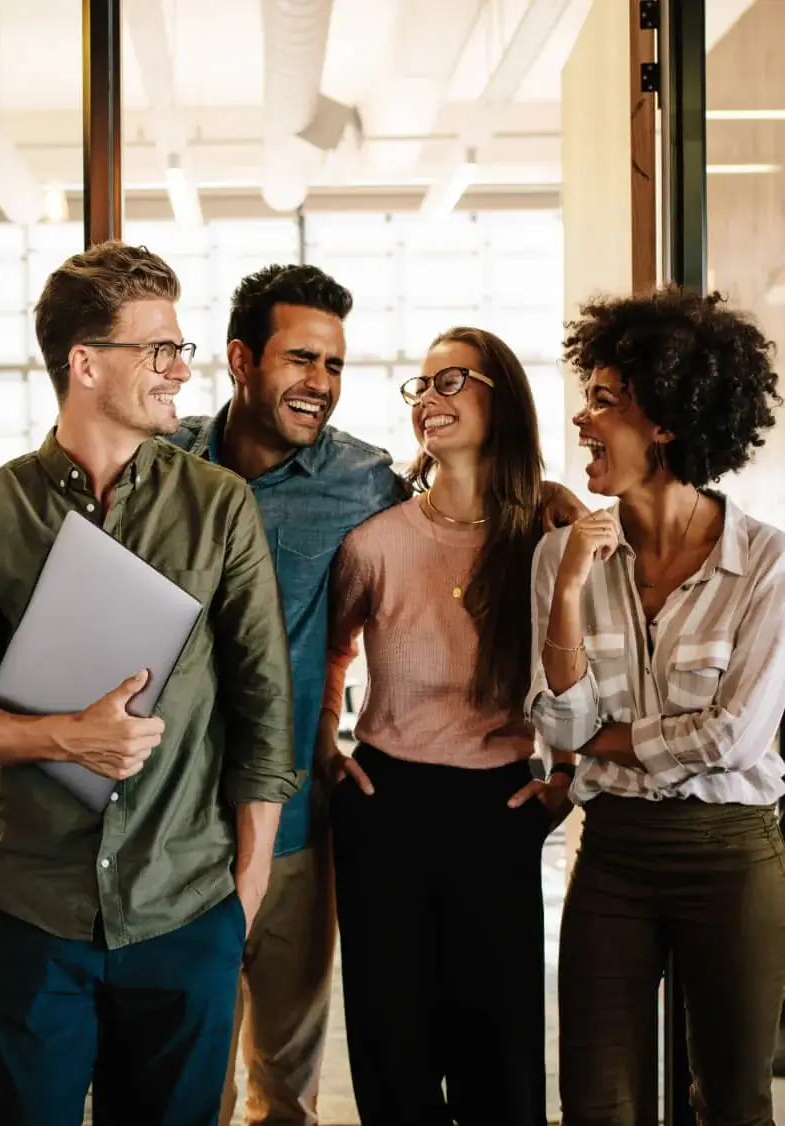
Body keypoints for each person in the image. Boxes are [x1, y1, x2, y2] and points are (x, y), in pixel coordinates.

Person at [0, 240, 299, 1126]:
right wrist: (61, 735)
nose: (179, 371)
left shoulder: (219, 505)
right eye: (159, 350)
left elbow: (265, 704)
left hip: (187, 906)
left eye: (179, 350)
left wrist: (249, 884)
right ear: (84, 364)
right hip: (40, 911)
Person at [527, 287, 785, 1126]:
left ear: (668, 421)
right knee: (598, 1103)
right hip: (612, 855)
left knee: (735, 1101)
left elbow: (737, 737)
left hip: (733, 855)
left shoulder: (769, 567)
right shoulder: (561, 558)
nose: (582, 419)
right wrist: (568, 589)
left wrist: (606, 737)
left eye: (607, 400)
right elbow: (558, 730)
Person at [317, 327, 571, 1126]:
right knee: (394, 1052)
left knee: (500, 1052)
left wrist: (564, 777)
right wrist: (328, 740)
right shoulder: (375, 542)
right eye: (420, 386)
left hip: (498, 809)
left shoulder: (548, 534)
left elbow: (589, 668)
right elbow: (329, 651)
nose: (429, 399)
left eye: (451, 381)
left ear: (504, 396)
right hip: (386, 805)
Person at [171, 263, 403, 1126]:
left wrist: (554, 506)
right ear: (240, 359)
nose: (321, 385)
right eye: (301, 359)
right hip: (174, 832)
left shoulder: (365, 483)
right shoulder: (160, 465)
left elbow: (460, 530)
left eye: (335, 365)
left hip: (299, 825)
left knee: (286, 1089)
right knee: (188, 1088)